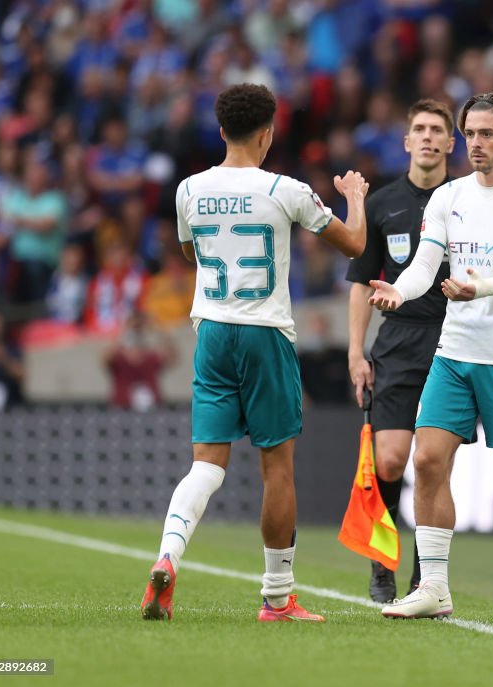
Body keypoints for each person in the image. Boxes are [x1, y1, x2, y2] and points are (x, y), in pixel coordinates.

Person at [139, 83, 369, 623]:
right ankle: (277, 597)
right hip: (264, 332)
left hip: (213, 331)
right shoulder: (285, 189)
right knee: (277, 469)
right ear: (267, 133)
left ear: (221, 131)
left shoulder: (189, 190)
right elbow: (355, 245)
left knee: (206, 464)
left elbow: (192, 251)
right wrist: (355, 197)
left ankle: (168, 556)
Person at [369, 93, 493, 625]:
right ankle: (433, 588)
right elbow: (424, 265)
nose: (475, 144)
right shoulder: (448, 198)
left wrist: (481, 287)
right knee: (427, 460)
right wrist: (399, 294)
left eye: (487, 134)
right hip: (453, 355)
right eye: (470, 133)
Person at [344, 98, 456, 602]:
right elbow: (360, 283)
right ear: (407, 141)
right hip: (397, 341)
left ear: (451, 143)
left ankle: (424, 576)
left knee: (432, 464)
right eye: (420, 129)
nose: (429, 137)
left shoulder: (466, 202)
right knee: (389, 462)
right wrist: (355, 352)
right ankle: (382, 561)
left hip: (453, 340)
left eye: (438, 130)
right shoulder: (382, 203)